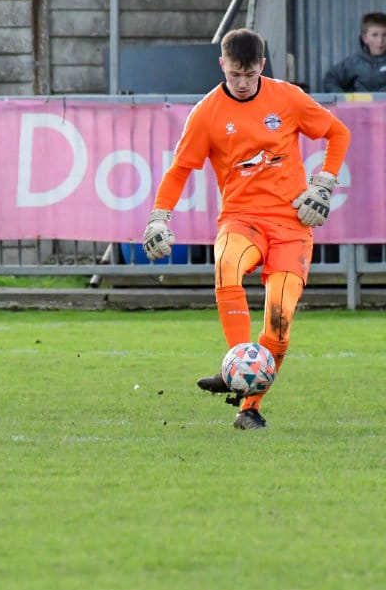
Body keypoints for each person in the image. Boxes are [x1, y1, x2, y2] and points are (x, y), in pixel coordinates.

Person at [142, 28, 351, 431]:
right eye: (234, 74)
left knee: (279, 326)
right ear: (222, 64)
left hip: (292, 225)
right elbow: (179, 169)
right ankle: (237, 360)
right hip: (241, 219)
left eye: (250, 75)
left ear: (262, 67)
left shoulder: (287, 97)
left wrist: (323, 183)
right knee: (226, 265)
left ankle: (249, 409)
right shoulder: (207, 112)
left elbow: (338, 132)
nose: (241, 83)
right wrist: (158, 217)